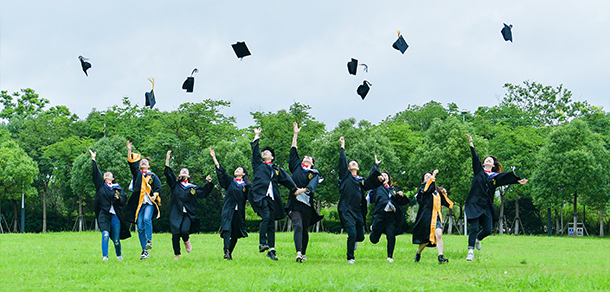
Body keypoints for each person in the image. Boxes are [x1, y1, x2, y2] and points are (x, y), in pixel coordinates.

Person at [464, 134, 528, 261]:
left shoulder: (494, 177)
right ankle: (470, 251)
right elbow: (475, 158)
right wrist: (471, 144)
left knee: (488, 229)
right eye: (486, 159)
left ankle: (477, 239)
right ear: (483, 163)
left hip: (486, 205)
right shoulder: (478, 171)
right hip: (474, 203)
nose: (488, 160)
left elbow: (505, 178)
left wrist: (518, 181)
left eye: (490, 160)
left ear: (493, 165)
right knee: (474, 227)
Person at [249, 128, 306, 261]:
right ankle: (262, 242)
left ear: (272, 157)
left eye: (267, 152)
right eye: (263, 152)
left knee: (271, 223)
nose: (264, 153)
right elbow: (255, 153)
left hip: (272, 199)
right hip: (259, 195)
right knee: (266, 217)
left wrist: (294, 189)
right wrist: (256, 136)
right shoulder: (258, 165)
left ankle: (272, 249)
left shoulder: (276, 170)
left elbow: (286, 179)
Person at [337, 136, 383, 264]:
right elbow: (342, 163)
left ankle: (355, 242)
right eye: (350, 163)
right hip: (346, 209)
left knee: (360, 237)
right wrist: (342, 146)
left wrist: (376, 168)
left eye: (355, 163)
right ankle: (350, 258)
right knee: (351, 233)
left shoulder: (360, 180)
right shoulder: (345, 177)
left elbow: (370, 181)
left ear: (357, 168)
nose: (353, 163)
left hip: (358, 211)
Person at [165, 150, 214, 260]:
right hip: (176, 213)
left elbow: (203, 193)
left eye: (186, 171)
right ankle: (177, 254)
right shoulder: (175, 185)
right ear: (179, 174)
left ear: (188, 175)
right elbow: (168, 174)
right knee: (175, 233)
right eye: (182, 171)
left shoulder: (192, 187)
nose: (184, 172)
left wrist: (208, 183)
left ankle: (186, 240)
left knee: (184, 231)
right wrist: (168, 158)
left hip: (188, 214)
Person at [286, 122, 324, 263]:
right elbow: (293, 151)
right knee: (298, 225)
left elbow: (313, 184)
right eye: (305, 157)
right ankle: (298, 252)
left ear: (312, 163)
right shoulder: (296, 167)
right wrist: (295, 134)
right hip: (295, 204)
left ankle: (303, 253)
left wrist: (303, 190)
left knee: (305, 230)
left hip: (307, 206)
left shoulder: (314, 173)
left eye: (310, 158)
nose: (307, 158)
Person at [90, 149, 131, 261]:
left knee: (116, 239)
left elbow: (123, 200)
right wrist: (93, 159)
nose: (106, 174)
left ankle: (119, 256)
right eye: (105, 174)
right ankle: (105, 257)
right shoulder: (100, 185)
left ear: (113, 178)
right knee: (105, 235)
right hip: (104, 213)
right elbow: (96, 173)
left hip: (115, 216)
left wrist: (119, 198)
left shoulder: (117, 188)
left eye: (109, 174)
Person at [209, 147, 249, 260]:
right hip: (228, 209)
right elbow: (222, 172)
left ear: (243, 173)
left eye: (239, 169)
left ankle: (230, 252)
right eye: (236, 169)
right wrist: (214, 158)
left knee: (235, 233)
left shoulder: (246, 186)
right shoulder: (230, 181)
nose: (237, 170)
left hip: (239, 212)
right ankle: (226, 250)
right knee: (227, 229)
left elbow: (249, 197)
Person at [124, 141, 162, 260]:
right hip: (139, 204)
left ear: (149, 166)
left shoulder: (153, 176)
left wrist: (155, 195)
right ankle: (144, 250)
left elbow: (158, 187)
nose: (143, 162)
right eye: (141, 162)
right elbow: (131, 164)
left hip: (149, 203)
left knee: (146, 219)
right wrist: (129, 150)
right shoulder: (137, 175)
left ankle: (149, 240)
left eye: (145, 162)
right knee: (140, 227)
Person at [412, 169, 453, 264]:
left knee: (439, 235)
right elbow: (427, 189)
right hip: (426, 218)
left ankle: (440, 257)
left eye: (430, 176)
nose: (429, 177)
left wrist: (444, 194)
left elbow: (445, 203)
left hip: (436, 216)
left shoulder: (436, 191)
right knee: (425, 240)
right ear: (423, 180)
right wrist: (433, 175)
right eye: (426, 176)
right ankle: (418, 253)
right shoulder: (423, 189)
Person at [368, 169, 409, 263]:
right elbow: (371, 179)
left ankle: (390, 256)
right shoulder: (377, 187)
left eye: (385, 176)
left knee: (391, 236)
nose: (384, 177)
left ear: (388, 179)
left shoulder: (393, 190)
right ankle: (373, 230)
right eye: (382, 176)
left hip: (391, 217)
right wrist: (375, 167)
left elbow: (403, 202)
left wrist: (401, 195)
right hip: (380, 216)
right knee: (374, 240)